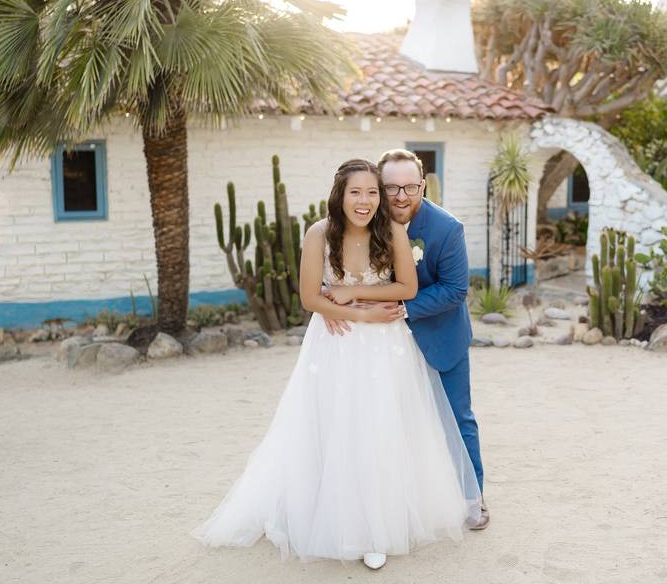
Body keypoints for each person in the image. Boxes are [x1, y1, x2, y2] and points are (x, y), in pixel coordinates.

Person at [191, 159, 481, 571]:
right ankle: (337, 519)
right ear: (339, 195)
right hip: (335, 343)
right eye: (356, 192)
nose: (365, 201)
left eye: (371, 193)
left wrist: (349, 292)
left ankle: (379, 528)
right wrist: (357, 312)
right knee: (334, 425)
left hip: (387, 347)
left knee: (383, 427)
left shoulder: (392, 231)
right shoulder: (319, 233)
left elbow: (408, 286)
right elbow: (310, 298)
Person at [323, 149, 488, 531]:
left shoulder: (447, 229)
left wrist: (400, 307)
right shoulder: (362, 219)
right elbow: (339, 265)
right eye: (391, 187)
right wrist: (328, 299)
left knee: (457, 419)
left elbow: (454, 290)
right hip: (378, 343)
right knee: (390, 423)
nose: (400, 196)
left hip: (437, 336)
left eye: (409, 187)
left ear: (423, 186)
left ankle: (472, 497)